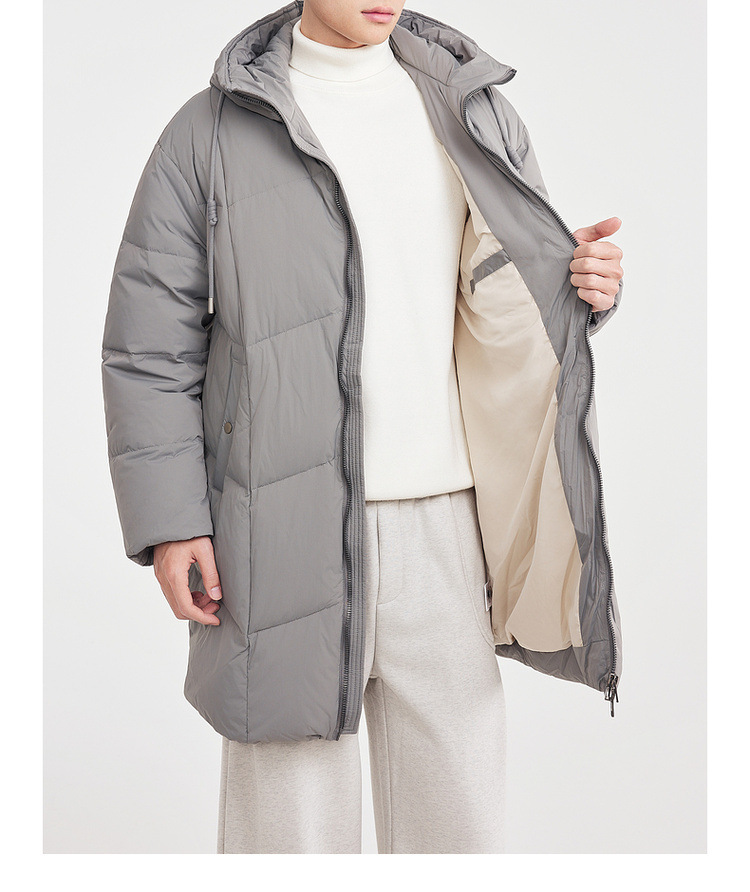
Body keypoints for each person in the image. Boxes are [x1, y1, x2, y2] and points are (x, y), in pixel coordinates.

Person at [101, 1, 625, 855]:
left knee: (460, 833)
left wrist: (581, 290)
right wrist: (172, 523)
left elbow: (501, 295)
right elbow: (148, 346)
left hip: (444, 531)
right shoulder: (209, 132)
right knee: (287, 838)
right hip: (275, 530)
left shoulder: (472, 109)